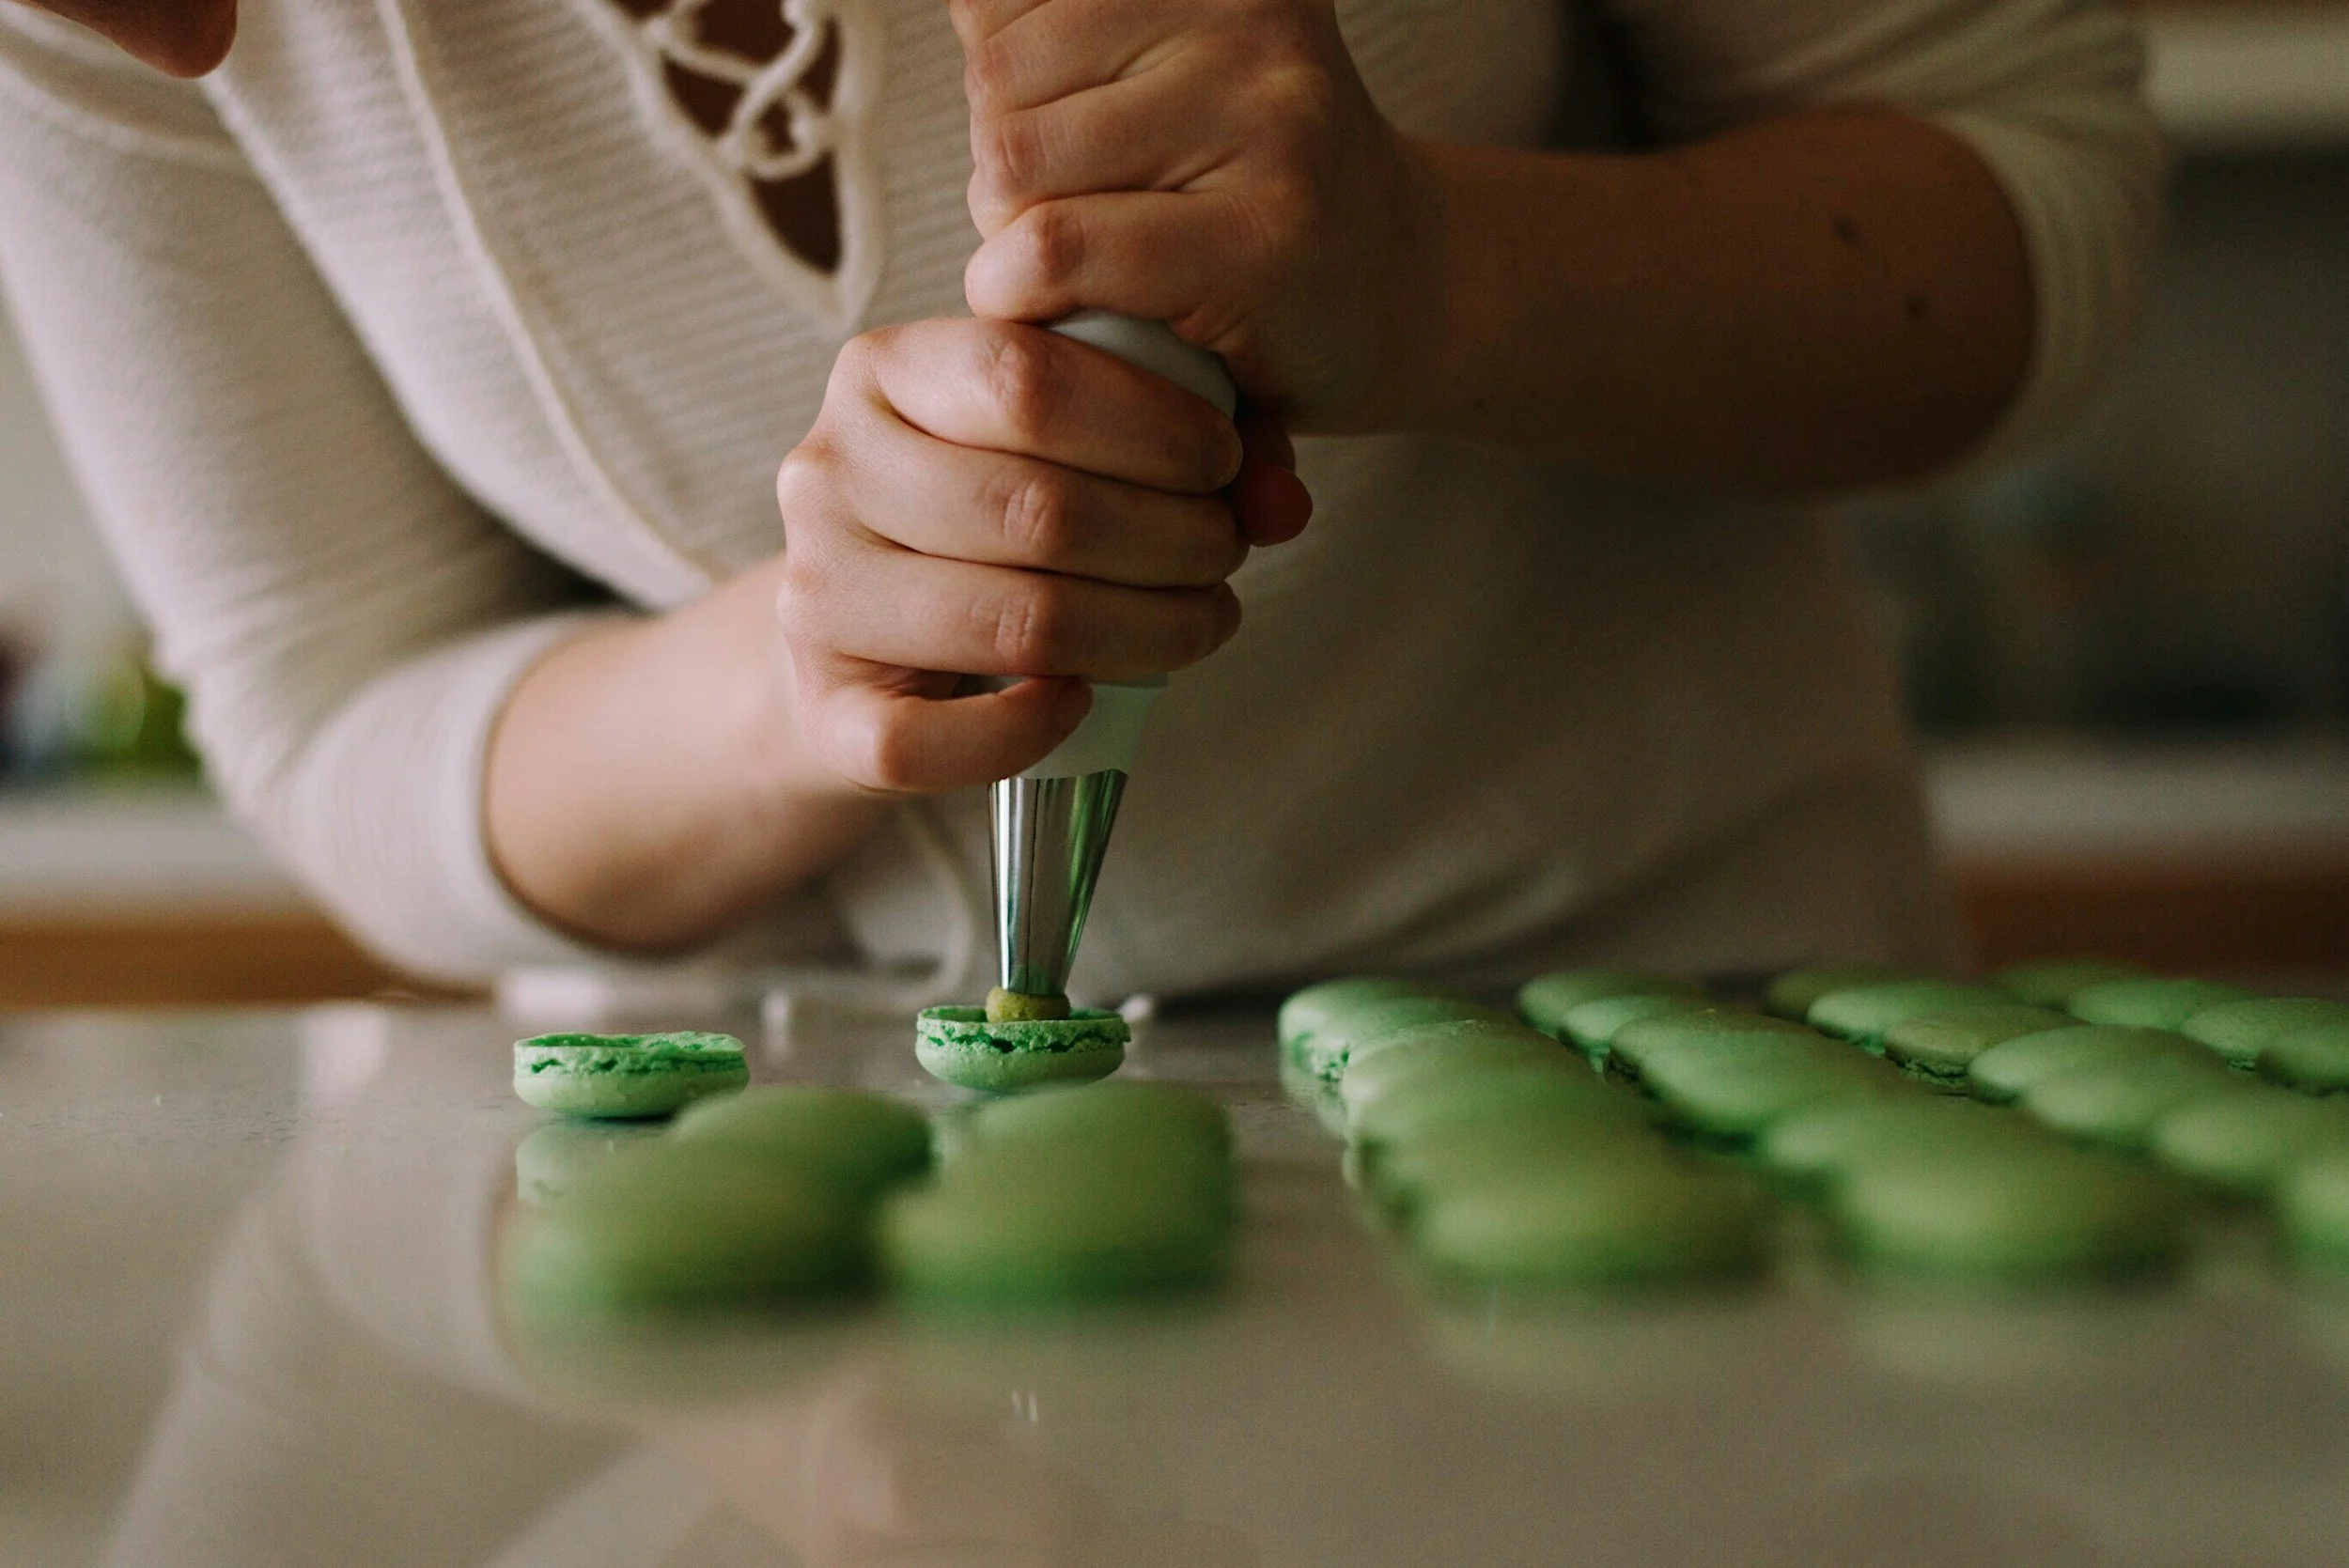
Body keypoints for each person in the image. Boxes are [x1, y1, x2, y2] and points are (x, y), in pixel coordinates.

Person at [0, 0, 2159, 1001]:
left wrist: (1433, 276)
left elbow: (2017, 180)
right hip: (769, 1339)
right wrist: (808, 664)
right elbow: (331, 710)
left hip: (1667, 1107)